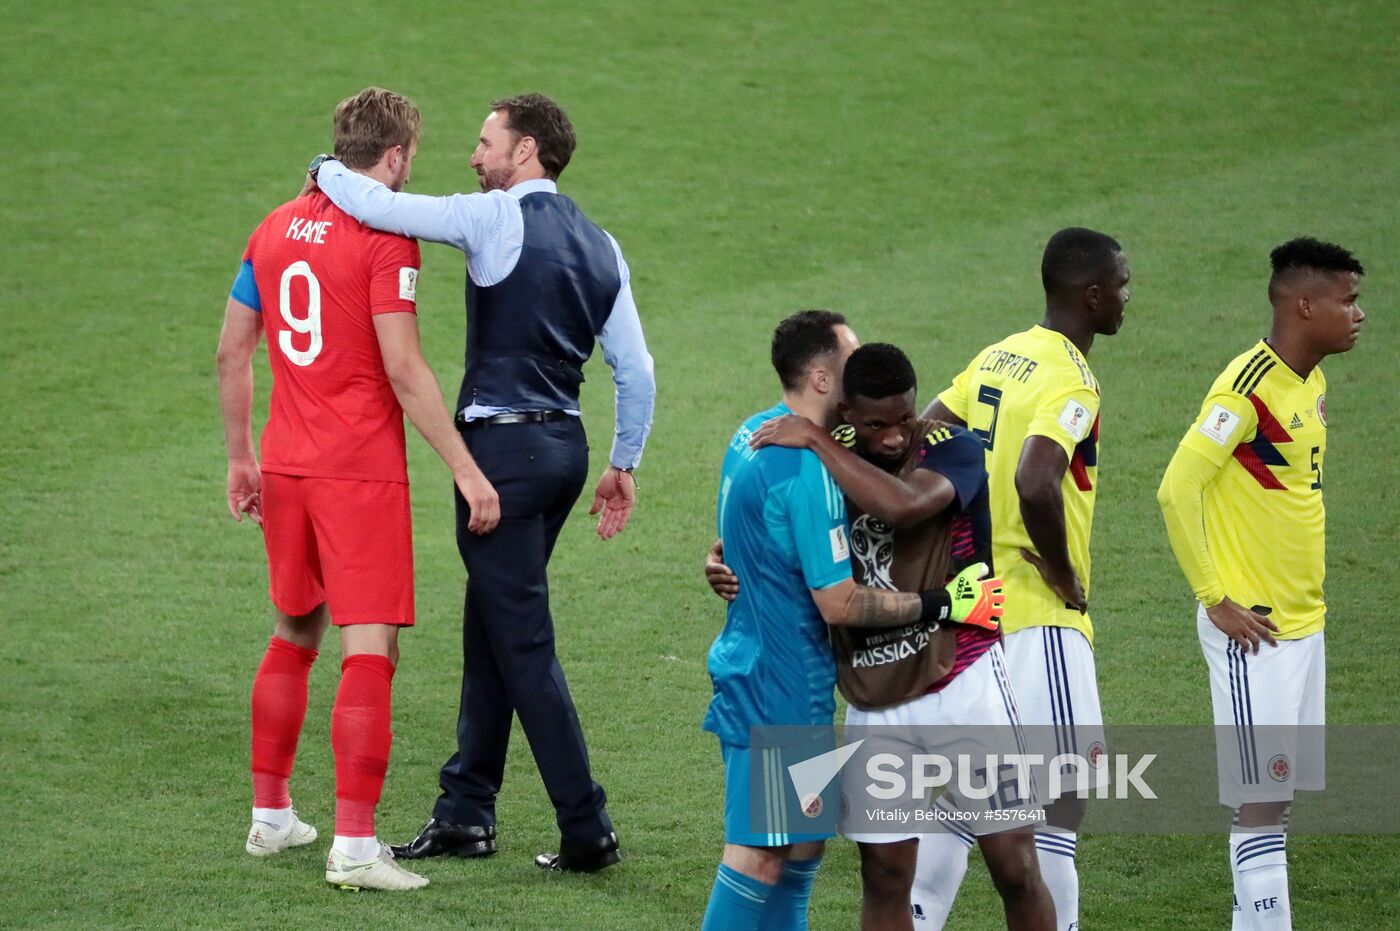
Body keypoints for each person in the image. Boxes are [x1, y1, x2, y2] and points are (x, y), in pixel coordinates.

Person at [309, 92, 655, 872]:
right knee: (494, 624)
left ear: (525, 150)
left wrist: (323, 167)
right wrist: (622, 465)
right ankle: (466, 808)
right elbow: (637, 371)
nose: (473, 157)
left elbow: (379, 206)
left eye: (485, 142)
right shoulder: (603, 245)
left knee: (523, 640)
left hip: (503, 456)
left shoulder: (492, 218)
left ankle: (587, 826)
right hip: (565, 452)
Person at [217, 87, 500, 891]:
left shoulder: (273, 226)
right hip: (357, 471)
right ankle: (353, 845)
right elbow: (404, 369)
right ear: (397, 155)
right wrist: (465, 467)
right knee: (370, 650)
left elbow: (233, 350)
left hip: (286, 462)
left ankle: (271, 814)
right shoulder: (385, 239)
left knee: (293, 629)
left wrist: (241, 458)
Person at [710, 342, 1054, 931]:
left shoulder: (953, 448)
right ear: (847, 413)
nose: (895, 437)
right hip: (877, 698)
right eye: (877, 425)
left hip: (965, 685)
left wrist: (814, 438)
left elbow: (904, 505)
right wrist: (723, 559)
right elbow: (775, 527)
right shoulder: (829, 455)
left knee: (1014, 866)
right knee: (886, 876)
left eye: (904, 418)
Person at [917, 228, 1131, 930]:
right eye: (1121, 285)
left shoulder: (998, 354)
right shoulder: (1072, 378)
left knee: (960, 805)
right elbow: (1037, 480)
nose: (1127, 297)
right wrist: (1064, 573)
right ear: (1091, 294)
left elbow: (920, 436)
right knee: (1057, 814)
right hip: (1039, 622)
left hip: (973, 617)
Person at [1157, 238, 1365, 930]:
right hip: (1256, 630)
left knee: (1276, 801)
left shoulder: (1311, 382)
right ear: (1305, 305)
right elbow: (1176, 489)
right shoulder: (1245, 389)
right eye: (1348, 300)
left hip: (1304, 623)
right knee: (1261, 802)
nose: (1359, 314)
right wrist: (1215, 598)